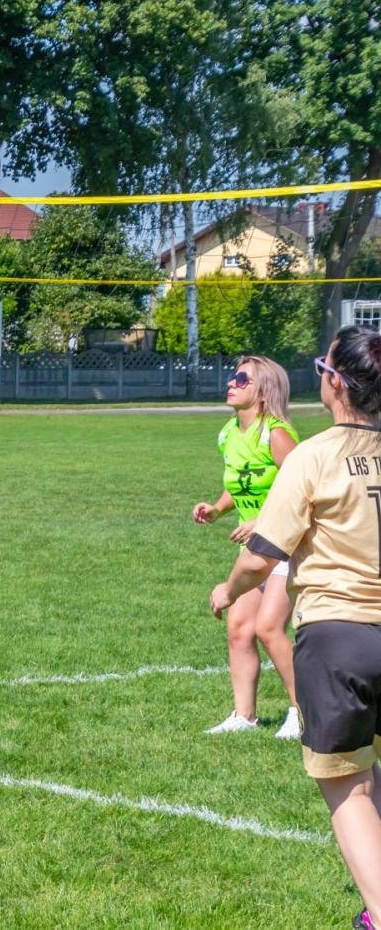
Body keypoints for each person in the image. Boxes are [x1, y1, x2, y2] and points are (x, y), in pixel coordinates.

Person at [210, 328, 381, 930]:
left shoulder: (313, 454)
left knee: (347, 788)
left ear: (335, 382)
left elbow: (262, 555)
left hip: (340, 636)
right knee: (369, 768)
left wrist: (228, 591)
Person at [193, 355, 301, 737]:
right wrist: (218, 508)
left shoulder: (277, 434)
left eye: (242, 378)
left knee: (269, 627)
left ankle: (301, 713)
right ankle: (244, 717)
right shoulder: (228, 433)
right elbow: (239, 481)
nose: (232, 383)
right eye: (233, 377)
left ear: (263, 391)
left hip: (288, 546)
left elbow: (301, 490)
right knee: (239, 627)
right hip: (256, 548)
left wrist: (262, 521)